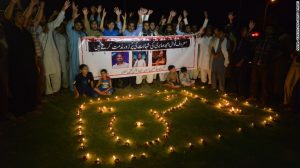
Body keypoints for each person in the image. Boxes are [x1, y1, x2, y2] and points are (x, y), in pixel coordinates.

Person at [4, 0, 38, 118]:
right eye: (19, 16)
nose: (23, 18)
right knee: (19, 88)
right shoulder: (11, 30)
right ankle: (19, 112)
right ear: (14, 19)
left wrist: (35, 64)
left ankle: (31, 108)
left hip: (29, 65)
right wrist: (13, 3)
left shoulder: (26, 33)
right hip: (17, 66)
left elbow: (32, 50)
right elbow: (6, 18)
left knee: (31, 85)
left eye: (23, 16)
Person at [39, 1, 70, 95]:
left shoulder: (48, 27)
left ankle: (56, 90)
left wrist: (63, 9)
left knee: (56, 71)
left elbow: (57, 21)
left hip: (53, 55)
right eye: (41, 18)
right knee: (46, 74)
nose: (43, 19)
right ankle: (48, 92)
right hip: (42, 56)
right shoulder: (33, 29)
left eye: (44, 17)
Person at [248, 26, 278, 105]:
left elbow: (275, 54)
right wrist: (250, 30)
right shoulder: (261, 39)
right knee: (254, 81)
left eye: (270, 30)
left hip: (265, 66)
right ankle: (252, 96)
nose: (268, 30)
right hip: (256, 64)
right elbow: (251, 41)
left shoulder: (274, 42)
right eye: (267, 29)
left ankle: (263, 100)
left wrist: (268, 61)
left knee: (264, 83)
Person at [66, 2, 86, 91]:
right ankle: (73, 88)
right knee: (73, 72)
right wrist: (73, 14)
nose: (78, 26)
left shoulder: (83, 34)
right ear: (74, 25)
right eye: (77, 25)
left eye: (80, 25)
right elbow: (68, 26)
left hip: (82, 56)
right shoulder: (71, 32)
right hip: (74, 55)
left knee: (81, 72)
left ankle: (81, 87)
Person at [210, 27, 230, 92]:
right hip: (214, 60)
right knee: (213, 74)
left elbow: (225, 50)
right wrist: (214, 54)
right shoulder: (215, 39)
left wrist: (217, 54)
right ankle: (213, 88)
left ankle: (222, 90)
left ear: (223, 33)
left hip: (221, 60)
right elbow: (211, 47)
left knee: (221, 75)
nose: (218, 34)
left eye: (219, 33)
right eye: (217, 32)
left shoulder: (226, 40)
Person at [54, 21, 69, 89]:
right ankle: (58, 85)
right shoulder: (55, 34)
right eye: (60, 27)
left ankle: (65, 84)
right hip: (56, 55)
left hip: (64, 55)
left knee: (65, 70)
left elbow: (67, 46)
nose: (61, 28)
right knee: (58, 70)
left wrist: (68, 54)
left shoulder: (65, 35)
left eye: (62, 27)